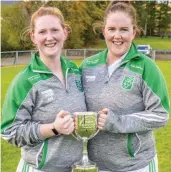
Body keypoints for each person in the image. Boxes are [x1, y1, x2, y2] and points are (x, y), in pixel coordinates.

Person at [80, 1, 170, 172]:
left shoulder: (147, 67)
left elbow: (160, 115)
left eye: (124, 29)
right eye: (112, 29)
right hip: (94, 166)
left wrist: (117, 122)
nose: (117, 36)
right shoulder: (87, 66)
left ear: (133, 33)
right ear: (103, 31)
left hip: (136, 165)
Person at [1, 7, 86, 172]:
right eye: (42, 32)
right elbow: (9, 132)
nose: (49, 37)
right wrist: (53, 128)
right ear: (33, 36)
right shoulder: (24, 81)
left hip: (76, 168)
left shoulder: (75, 72)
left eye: (55, 30)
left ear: (65, 32)